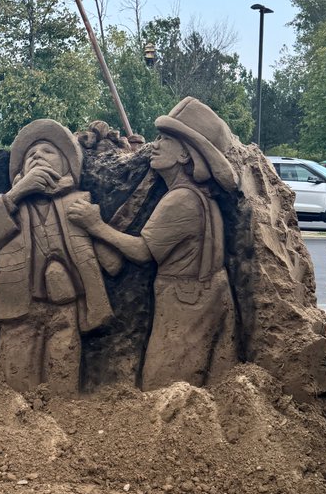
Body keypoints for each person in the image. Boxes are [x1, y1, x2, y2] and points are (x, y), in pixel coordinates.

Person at [68, 96, 239, 389]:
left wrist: (94, 226)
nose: (155, 145)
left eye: (163, 139)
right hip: (204, 295)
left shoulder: (180, 200)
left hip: (186, 302)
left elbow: (142, 252)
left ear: (185, 155)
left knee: (165, 383)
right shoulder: (197, 194)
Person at [0, 119, 122, 394]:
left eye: (47, 152)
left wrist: (96, 227)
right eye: (30, 156)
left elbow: (113, 264)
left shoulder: (79, 205)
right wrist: (15, 194)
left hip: (66, 313)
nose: (36, 156)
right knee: (16, 383)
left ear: (66, 165)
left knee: (64, 384)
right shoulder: (11, 208)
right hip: (19, 314)